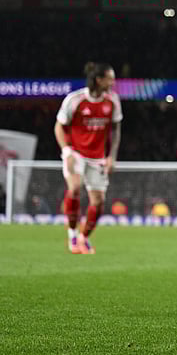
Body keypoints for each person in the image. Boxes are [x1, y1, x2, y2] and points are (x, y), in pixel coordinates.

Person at [56, 62, 122, 255]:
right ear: (98, 80)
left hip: (98, 157)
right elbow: (59, 127)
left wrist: (112, 156)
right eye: (110, 79)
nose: (113, 82)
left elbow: (116, 129)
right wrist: (66, 151)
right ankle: (72, 235)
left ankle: (84, 237)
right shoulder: (74, 99)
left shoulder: (113, 101)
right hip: (75, 152)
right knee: (75, 188)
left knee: (98, 201)